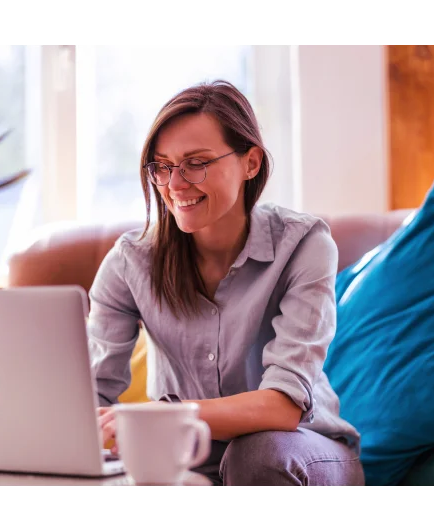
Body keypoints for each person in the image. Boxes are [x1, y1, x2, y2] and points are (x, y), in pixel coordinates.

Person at [88, 79, 364, 487]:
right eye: (162, 166)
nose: (175, 184)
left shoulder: (304, 245)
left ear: (250, 162)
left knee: (257, 454)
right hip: (184, 460)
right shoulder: (130, 263)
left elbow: (283, 407)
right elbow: (90, 394)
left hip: (303, 450)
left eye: (196, 162)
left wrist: (169, 416)